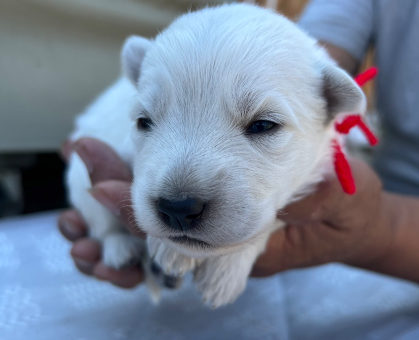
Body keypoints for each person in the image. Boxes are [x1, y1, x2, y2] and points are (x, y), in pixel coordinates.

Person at [59, 0, 419, 292]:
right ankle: (107, 233)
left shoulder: (323, 117)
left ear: (331, 102)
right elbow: (309, 50)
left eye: (261, 126)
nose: (180, 194)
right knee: (85, 171)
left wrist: (383, 228)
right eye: (147, 121)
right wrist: (111, 232)